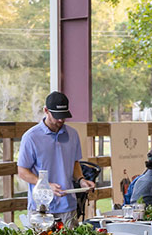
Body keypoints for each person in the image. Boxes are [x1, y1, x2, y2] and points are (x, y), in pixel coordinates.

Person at [17, 92, 96, 226]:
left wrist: (81, 180)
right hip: (40, 210)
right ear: (46, 111)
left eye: (64, 116)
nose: (61, 120)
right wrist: (45, 185)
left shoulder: (73, 134)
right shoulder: (31, 137)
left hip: (68, 208)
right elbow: (22, 171)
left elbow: (74, 163)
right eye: (57, 116)